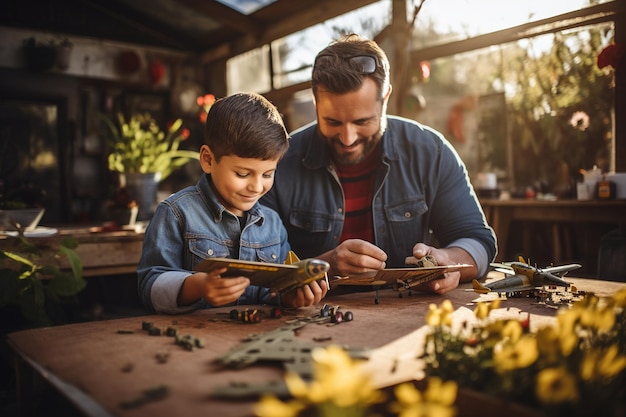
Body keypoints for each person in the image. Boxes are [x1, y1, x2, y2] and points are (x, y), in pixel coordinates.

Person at [261, 34, 497, 294]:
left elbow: (478, 241)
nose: (348, 138)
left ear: (385, 97)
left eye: (362, 122)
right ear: (316, 102)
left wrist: (450, 261)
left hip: (408, 315)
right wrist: (324, 265)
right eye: (333, 122)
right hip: (308, 320)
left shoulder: (431, 152)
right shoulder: (278, 163)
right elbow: (255, 267)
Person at [137, 92, 328, 314]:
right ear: (208, 160)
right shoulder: (176, 214)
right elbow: (149, 285)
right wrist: (198, 286)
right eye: (242, 174)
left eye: (267, 174)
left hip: (256, 338)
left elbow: (274, 290)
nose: (257, 187)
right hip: (196, 337)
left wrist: (290, 296)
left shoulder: (273, 224)